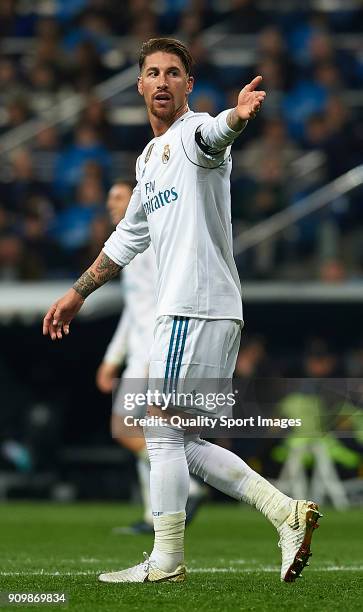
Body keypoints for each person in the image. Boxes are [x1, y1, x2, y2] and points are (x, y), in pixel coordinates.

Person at [43, 37, 321, 584]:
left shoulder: (193, 135)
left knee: (159, 430)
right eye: (154, 72)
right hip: (214, 310)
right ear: (141, 85)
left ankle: (166, 559)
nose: (164, 81)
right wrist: (78, 292)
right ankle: (285, 512)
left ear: (188, 85)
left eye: (175, 72)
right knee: (183, 441)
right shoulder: (149, 160)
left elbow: (215, 136)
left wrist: (236, 118)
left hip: (192, 307)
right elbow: (128, 236)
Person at [96, 179, 206, 533]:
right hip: (141, 351)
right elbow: (134, 309)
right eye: (110, 197)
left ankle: (189, 486)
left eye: (119, 197)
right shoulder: (131, 246)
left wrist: (152, 356)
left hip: (153, 352)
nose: (112, 202)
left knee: (126, 428)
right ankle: (153, 515)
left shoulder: (149, 244)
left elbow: (163, 302)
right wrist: (113, 357)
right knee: (148, 431)